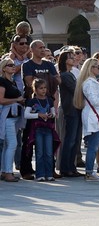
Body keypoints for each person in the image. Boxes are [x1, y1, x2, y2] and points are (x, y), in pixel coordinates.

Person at [20, 39, 60, 180]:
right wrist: (46, 80)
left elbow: (57, 80)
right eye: (40, 47)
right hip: (34, 104)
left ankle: (49, 170)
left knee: (50, 141)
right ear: (32, 50)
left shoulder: (49, 64)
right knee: (29, 139)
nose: (43, 50)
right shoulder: (27, 65)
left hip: (48, 103)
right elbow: (30, 82)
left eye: (44, 47)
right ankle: (26, 170)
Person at [74, 58, 99, 181]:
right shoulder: (90, 83)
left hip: (94, 115)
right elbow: (95, 101)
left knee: (94, 145)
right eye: (96, 66)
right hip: (93, 116)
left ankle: (89, 171)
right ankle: (89, 172)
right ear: (90, 68)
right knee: (93, 146)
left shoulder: (91, 82)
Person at [24, 78, 58, 181]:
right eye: (41, 88)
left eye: (45, 88)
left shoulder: (49, 100)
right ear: (35, 90)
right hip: (37, 129)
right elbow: (26, 114)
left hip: (48, 129)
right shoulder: (32, 101)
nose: (43, 90)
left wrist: (51, 115)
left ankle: (49, 173)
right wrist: (38, 114)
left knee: (48, 152)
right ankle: (40, 174)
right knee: (39, 152)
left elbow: (53, 113)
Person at [57, 50, 83, 177]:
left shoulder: (70, 74)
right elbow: (76, 89)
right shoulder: (65, 75)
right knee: (70, 139)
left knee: (75, 139)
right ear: (64, 60)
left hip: (76, 108)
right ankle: (65, 167)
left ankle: (71, 167)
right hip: (71, 109)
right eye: (71, 57)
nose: (74, 59)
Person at [0, 57, 26, 182]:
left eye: (13, 65)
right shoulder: (2, 81)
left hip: (15, 116)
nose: (13, 66)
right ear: (4, 68)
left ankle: (5, 171)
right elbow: (1, 100)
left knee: (8, 145)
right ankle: (8, 172)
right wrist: (17, 100)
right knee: (12, 144)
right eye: (10, 65)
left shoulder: (13, 82)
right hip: (8, 117)